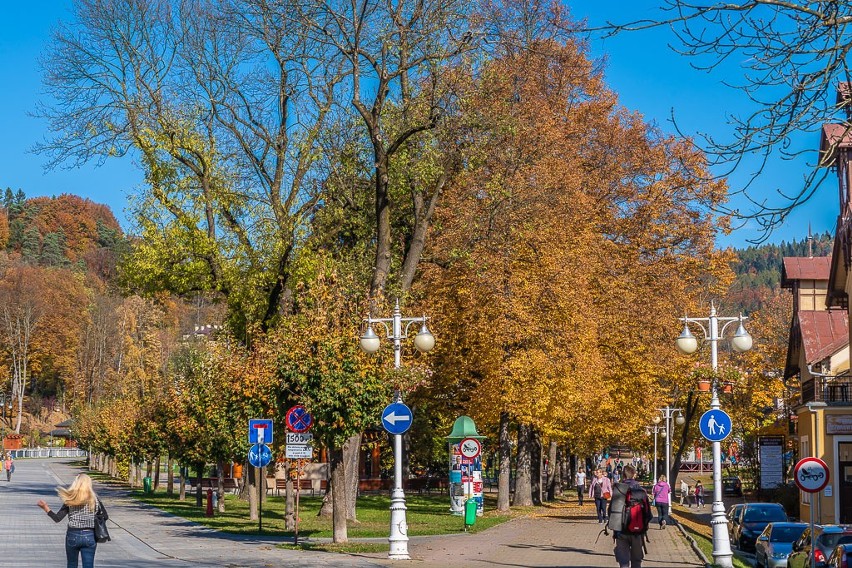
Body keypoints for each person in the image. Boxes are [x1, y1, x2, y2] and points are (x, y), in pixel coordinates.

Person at [37, 473, 107, 568]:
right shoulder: (95, 500)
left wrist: (45, 508)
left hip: (72, 535)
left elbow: (57, 518)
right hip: (90, 535)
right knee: (89, 565)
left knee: (72, 564)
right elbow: (105, 516)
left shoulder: (70, 500)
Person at [607, 464, 650, 568]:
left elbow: (610, 511)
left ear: (623, 475)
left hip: (620, 530)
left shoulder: (618, 490)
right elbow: (648, 514)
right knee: (636, 561)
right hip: (638, 532)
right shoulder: (641, 491)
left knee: (623, 562)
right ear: (634, 475)